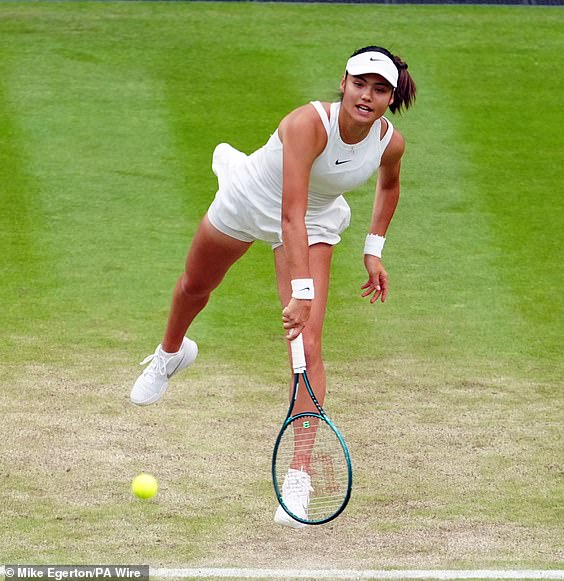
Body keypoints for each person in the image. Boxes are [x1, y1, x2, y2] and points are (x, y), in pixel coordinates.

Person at [130, 45, 416, 527]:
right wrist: (300, 293)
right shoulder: (308, 123)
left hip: (317, 218)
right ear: (343, 82)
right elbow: (288, 214)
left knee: (308, 344)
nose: (368, 96)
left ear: (390, 98)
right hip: (255, 199)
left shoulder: (390, 142)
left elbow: (389, 186)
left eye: (380, 89)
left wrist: (373, 250)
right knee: (194, 287)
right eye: (361, 84)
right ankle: (171, 353)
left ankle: (298, 479)